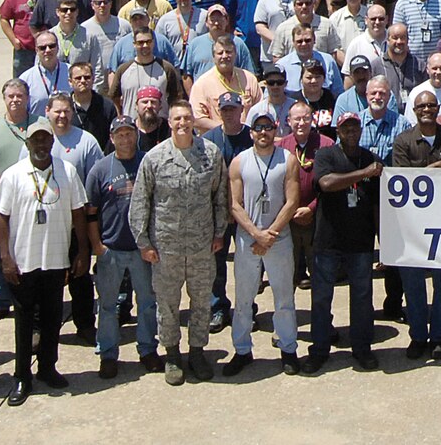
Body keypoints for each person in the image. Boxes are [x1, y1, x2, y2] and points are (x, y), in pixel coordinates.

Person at [129, 102, 229, 385]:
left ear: (193, 121)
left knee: (201, 304)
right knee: (168, 305)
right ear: (169, 122)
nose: (182, 123)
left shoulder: (210, 154)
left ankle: (197, 352)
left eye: (187, 118)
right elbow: (140, 203)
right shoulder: (155, 158)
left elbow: (220, 197)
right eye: (177, 119)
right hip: (166, 249)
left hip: (201, 246)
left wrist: (219, 232)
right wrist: (144, 243)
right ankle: (172, 355)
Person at [0, 118, 87, 405]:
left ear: (52, 142)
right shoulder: (13, 175)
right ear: (27, 143)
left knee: (53, 318)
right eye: (36, 140)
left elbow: (79, 212)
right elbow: (1, 218)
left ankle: (47, 368)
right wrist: (5, 257)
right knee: (23, 320)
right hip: (24, 261)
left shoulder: (67, 171)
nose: (41, 145)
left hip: (55, 259)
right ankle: (22, 376)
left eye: (46, 139)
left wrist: (81, 251)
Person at [388, 89, 441, 361]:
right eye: (422, 106)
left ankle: (439, 337)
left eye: (432, 105)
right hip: (411, 227)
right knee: (414, 286)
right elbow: (401, 182)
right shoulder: (403, 141)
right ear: (415, 110)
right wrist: (440, 166)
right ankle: (418, 336)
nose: (427, 110)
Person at [226, 110, 301, 375]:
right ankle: (242, 350)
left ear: (275, 129)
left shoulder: (288, 160)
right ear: (251, 132)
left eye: (268, 127)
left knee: (283, 296)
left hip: (279, 239)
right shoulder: (239, 161)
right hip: (249, 239)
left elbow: (292, 201)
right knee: (244, 298)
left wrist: (270, 234)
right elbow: (234, 204)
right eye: (258, 128)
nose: (263, 133)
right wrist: (256, 234)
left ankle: (288, 348)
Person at [309, 110, 384, 371]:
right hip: (328, 240)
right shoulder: (326, 155)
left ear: (361, 131)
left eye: (355, 128)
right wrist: (363, 173)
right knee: (321, 297)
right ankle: (319, 350)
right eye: (345, 129)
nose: (351, 132)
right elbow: (326, 183)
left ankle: (362, 348)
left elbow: (377, 203)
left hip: (361, 242)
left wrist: (381, 240)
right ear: (338, 132)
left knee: (363, 297)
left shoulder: (370, 157)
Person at [86, 116, 161, 378]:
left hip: (143, 248)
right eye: (120, 134)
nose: (125, 139)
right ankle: (107, 353)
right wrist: (98, 246)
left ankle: (148, 350)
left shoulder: (148, 162)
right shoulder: (100, 169)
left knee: (148, 302)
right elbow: (91, 212)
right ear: (111, 137)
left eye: (130, 133)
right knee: (107, 305)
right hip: (112, 248)